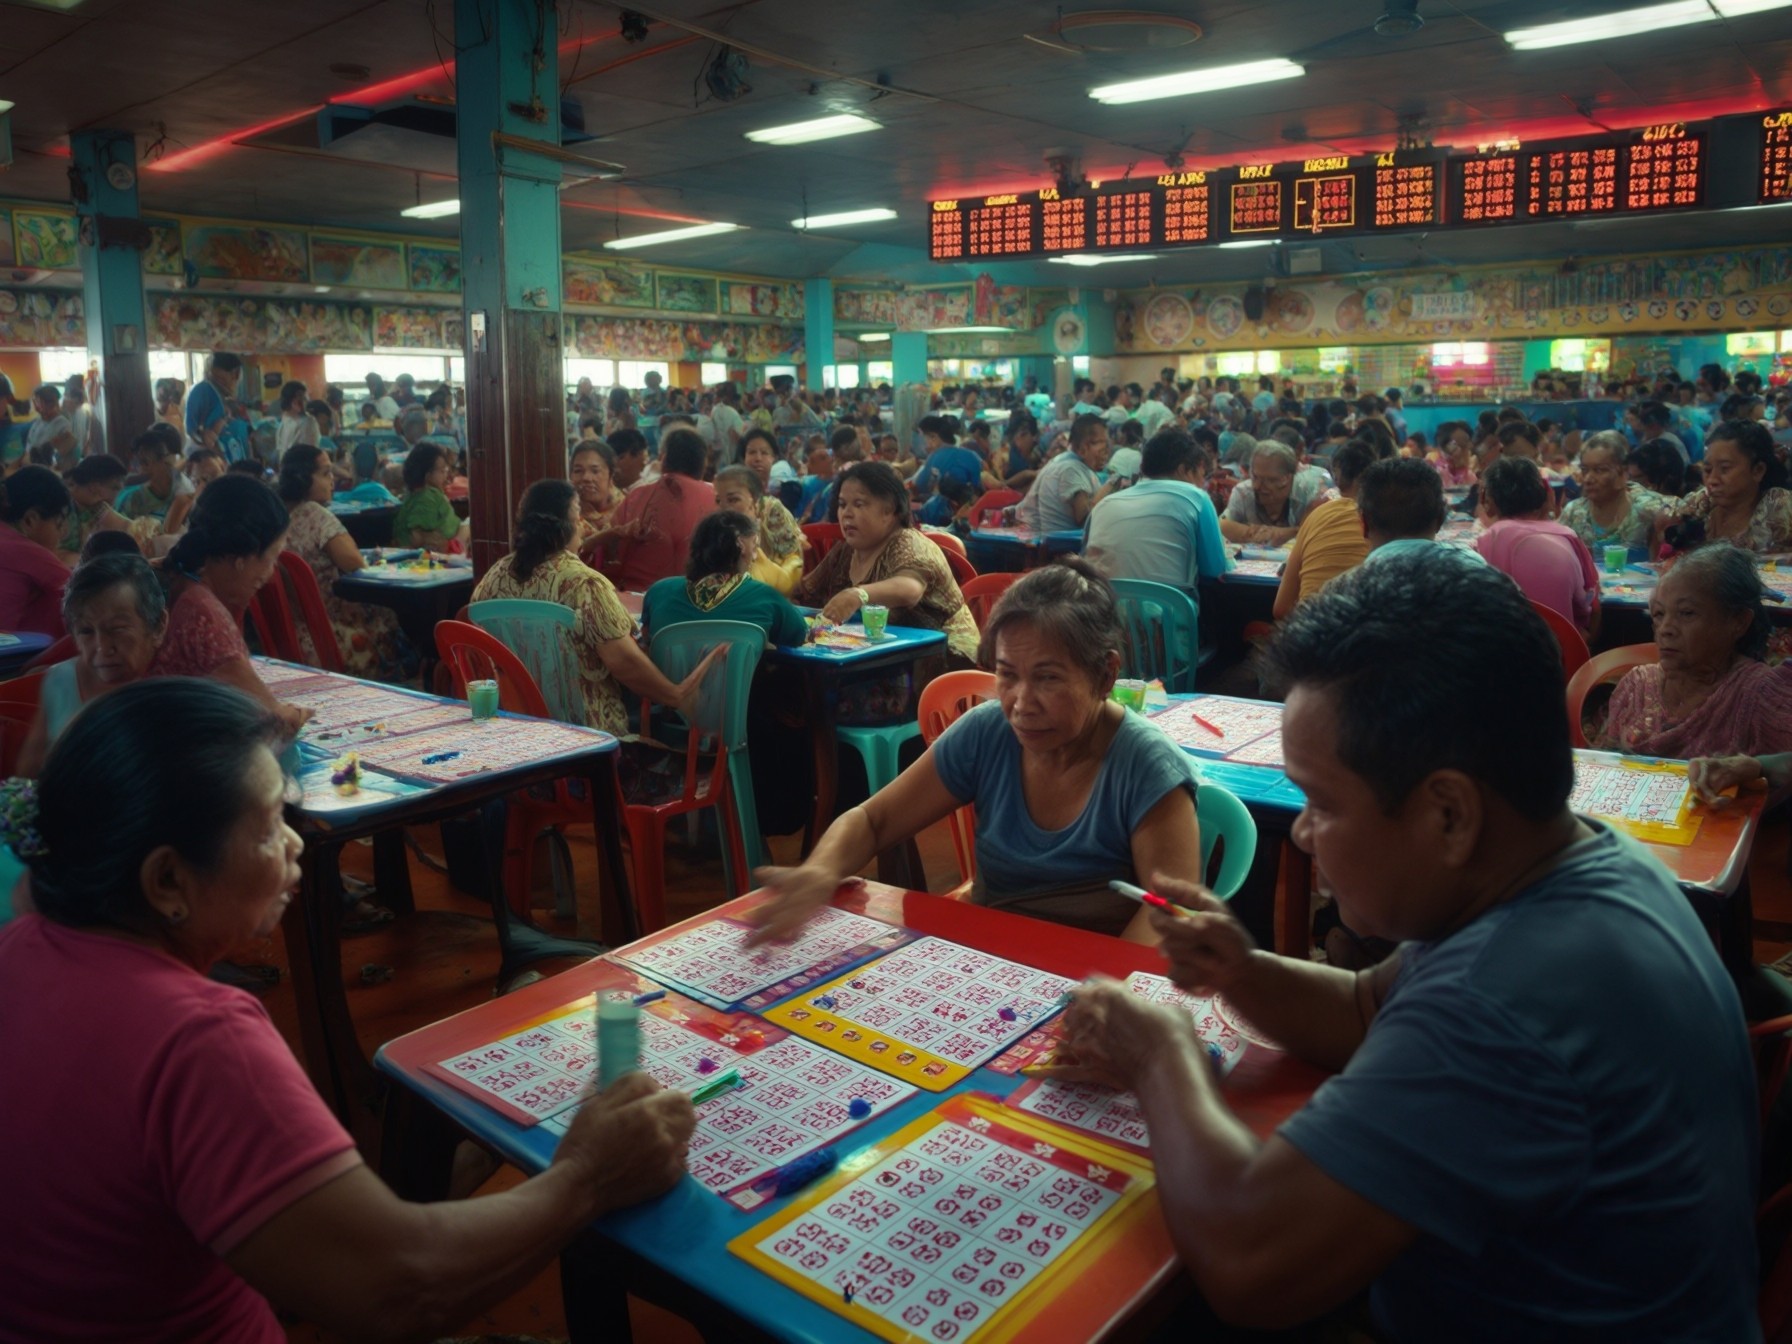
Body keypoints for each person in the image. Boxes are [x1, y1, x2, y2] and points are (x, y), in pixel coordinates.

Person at [1040, 551, 1756, 1338]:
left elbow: (1250, 1264)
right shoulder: (1567, 864)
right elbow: (1361, 1006)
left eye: (1319, 802)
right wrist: (1239, 971)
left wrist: (1159, 1054)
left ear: (1448, 814)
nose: (1303, 835)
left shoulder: (1503, 1001)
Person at [0, 678, 696, 1342]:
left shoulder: (21, 947)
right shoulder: (197, 1037)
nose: (298, 843)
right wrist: (587, 1177)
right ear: (168, 880)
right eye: (272, 824)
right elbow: (397, 1289)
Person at [755, 560, 1200, 941]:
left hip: (1100, 983)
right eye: (1007, 675)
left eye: (1048, 678)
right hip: (993, 962)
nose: (1022, 704)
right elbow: (873, 820)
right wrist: (820, 872)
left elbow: (1167, 911)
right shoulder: (988, 733)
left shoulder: (1147, 767)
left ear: (1105, 675)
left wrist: (1107, 997)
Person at [471, 480, 718, 734]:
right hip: (583, 732)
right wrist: (676, 696)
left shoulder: (494, 577)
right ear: (567, 527)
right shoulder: (584, 584)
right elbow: (624, 663)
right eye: (579, 518)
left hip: (513, 726)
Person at [147, 473, 310, 735]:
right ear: (241, 559)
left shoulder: (168, 573)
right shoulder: (204, 616)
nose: (269, 576)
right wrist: (296, 714)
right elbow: (274, 722)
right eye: (271, 558)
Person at [1601, 543, 1792, 758]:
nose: (1666, 630)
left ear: (1739, 622)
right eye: (1659, 614)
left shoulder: (1759, 696)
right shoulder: (1637, 687)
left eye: (1687, 613)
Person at [794, 462, 979, 664]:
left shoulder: (910, 544)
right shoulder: (845, 551)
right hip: (878, 660)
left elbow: (910, 589)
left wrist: (858, 594)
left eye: (859, 504)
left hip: (945, 662)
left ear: (889, 511)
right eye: (842, 504)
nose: (846, 513)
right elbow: (804, 592)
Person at [16, 552, 167, 777]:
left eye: (117, 629)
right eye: (86, 631)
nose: (102, 647)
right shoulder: (61, 681)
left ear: (158, 627)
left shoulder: (170, 697)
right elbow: (28, 772)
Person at [276, 446, 408, 682]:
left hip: (288, 636)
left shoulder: (278, 517)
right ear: (303, 478)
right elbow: (354, 562)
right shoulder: (314, 514)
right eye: (326, 473)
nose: (333, 480)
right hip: (330, 634)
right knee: (396, 620)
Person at [1084, 427, 1231, 590]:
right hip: (1169, 612)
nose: (1203, 484)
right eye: (1202, 476)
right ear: (1183, 470)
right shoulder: (1197, 498)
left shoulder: (1105, 504)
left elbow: (1086, 564)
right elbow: (1215, 570)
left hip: (1101, 611)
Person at [640, 509, 808, 646]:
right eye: (755, 547)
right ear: (741, 546)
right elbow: (798, 636)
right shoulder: (765, 598)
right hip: (738, 688)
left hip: (662, 687)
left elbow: (646, 637)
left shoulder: (659, 592)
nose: (756, 556)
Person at [1475, 457, 1599, 633]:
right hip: (1564, 654)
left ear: (1486, 500)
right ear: (1544, 494)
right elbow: (1586, 607)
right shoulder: (1567, 536)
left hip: (1499, 653)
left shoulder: (1483, 544)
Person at [1273, 442, 1377, 619]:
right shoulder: (1383, 519)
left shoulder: (1319, 512)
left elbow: (1281, 609)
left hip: (1310, 633)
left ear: (1336, 474)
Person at [1661, 418, 1792, 555]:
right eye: (1707, 470)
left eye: (1725, 469)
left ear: (1757, 470)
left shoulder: (1780, 508)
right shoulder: (1699, 505)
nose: (1712, 480)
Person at [608, 428, 716, 592]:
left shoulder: (635, 497)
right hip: (701, 600)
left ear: (663, 459)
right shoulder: (717, 497)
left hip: (636, 599)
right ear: (703, 463)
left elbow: (612, 555)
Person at [1558, 430, 1662, 554]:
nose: (1588, 479)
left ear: (1623, 474)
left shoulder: (1646, 511)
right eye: (1584, 470)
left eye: (1600, 470)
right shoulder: (1573, 513)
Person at [0, 466, 72, 635]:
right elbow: (85, 588)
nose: (62, 534)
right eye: (58, 524)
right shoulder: (21, 549)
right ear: (30, 520)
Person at [1220, 440, 1335, 545]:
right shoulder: (1243, 492)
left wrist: (1283, 533)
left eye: (1269, 480)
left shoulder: (1312, 492)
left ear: (1287, 478)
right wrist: (1268, 533)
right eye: (1255, 477)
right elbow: (1221, 526)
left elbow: (1319, 535)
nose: (1257, 486)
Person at [1015, 414, 1115, 534]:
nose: (1106, 453)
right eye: (1101, 446)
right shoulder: (1072, 469)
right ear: (1082, 449)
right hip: (1065, 548)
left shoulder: (1063, 462)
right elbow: (1084, 519)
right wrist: (1111, 486)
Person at [714, 464, 803, 595]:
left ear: (754, 500)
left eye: (733, 499)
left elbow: (793, 561)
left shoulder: (770, 510)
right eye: (718, 501)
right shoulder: (717, 526)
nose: (723, 508)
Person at [117, 426, 196, 542]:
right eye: (138, 463)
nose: (141, 469)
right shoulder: (132, 498)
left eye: (145, 463)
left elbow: (171, 531)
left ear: (164, 460)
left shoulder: (185, 489)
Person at [390, 442, 468, 552]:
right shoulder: (428, 496)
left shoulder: (414, 497)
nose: (447, 476)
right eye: (442, 471)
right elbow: (417, 537)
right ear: (427, 475)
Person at [570, 438, 633, 566]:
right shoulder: (567, 514)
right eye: (578, 471)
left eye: (595, 471)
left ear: (611, 474)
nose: (586, 478)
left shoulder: (628, 509)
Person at [57, 453, 132, 560]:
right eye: (115, 488)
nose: (118, 494)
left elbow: (127, 527)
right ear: (94, 487)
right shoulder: (60, 507)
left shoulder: (94, 505)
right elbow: (57, 556)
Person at [185, 353, 243, 457]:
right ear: (236, 373)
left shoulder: (222, 394)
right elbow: (191, 429)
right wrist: (206, 441)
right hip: (207, 458)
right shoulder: (203, 390)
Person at [274, 380, 318, 455]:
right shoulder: (308, 422)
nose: (307, 401)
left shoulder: (283, 423)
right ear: (294, 401)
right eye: (304, 398)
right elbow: (309, 451)